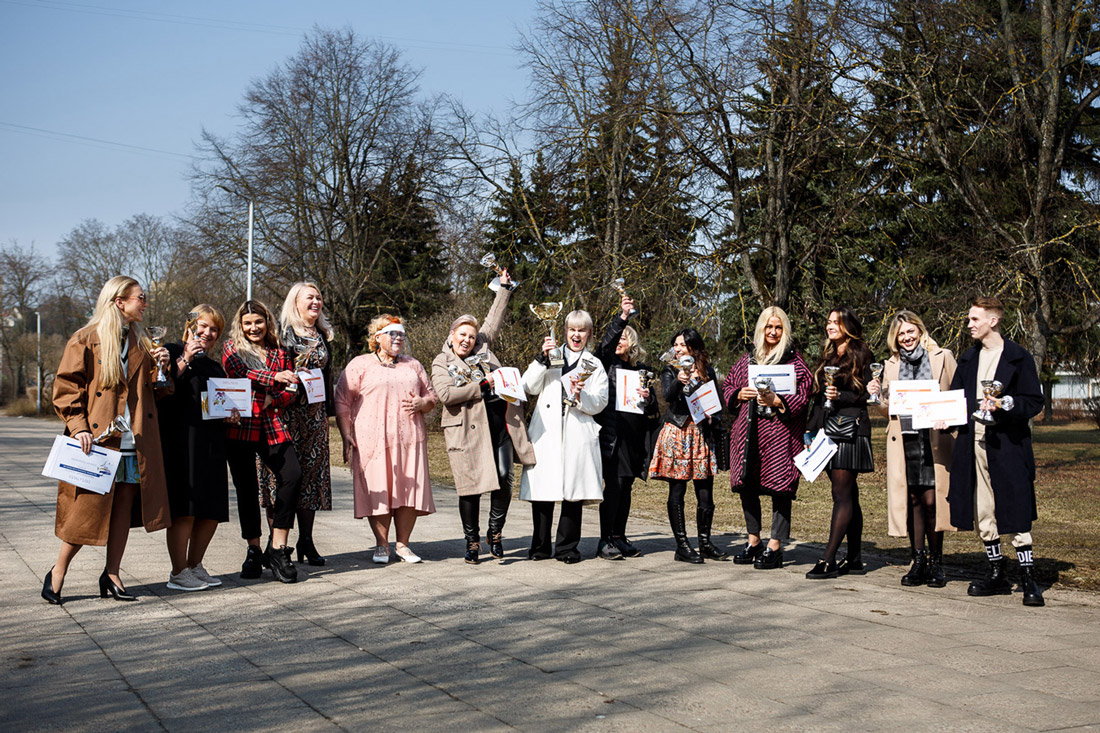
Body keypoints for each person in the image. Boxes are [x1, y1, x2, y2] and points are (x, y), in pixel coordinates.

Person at [42, 275, 171, 604]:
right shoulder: (86, 339)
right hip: (99, 439)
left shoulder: (142, 341)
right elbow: (66, 387)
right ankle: (57, 572)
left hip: (134, 439)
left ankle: (112, 574)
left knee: (123, 509)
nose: (145, 303)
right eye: (140, 298)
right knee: (87, 511)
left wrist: (163, 370)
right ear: (119, 301)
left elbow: (158, 392)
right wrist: (79, 427)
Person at [430, 270, 536, 563]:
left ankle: (495, 532)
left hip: (500, 425)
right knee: (471, 489)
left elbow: (493, 319)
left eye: (471, 336)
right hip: (466, 431)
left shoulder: (483, 348)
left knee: (504, 478)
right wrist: (481, 387)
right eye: (462, 335)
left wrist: (504, 288)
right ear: (452, 335)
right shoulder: (441, 361)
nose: (467, 340)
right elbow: (446, 395)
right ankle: (472, 541)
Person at [947, 297, 1044, 606]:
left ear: (993, 320)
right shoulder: (968, 359)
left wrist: (1006, 403)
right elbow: (955, 401)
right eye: (969, 319)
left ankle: (1028, 576)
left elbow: (1034, 401)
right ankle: (996, 571)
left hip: (1008, 446)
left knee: (1015, 507)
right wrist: (942, 417)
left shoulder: (1018, 356)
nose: (969, 324)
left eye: (974, 319)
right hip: (973, 445)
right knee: (983, 510)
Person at [335, 315, 437, 564]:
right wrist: (346, 433)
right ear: (377, 337)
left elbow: (431, 396)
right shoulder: (360, 364)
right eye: (392, 333)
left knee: (408, 489)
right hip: (372, 439)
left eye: (401, 333)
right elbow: (342, 400)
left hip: (410, 438)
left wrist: (423, 403)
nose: (398, 338)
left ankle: (403, 545)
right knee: (378, 489)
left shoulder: (413, 364)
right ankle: (382, 545)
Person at [868, 310, 957, 588]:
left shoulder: (943, 357)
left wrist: (948, 416)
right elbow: (887, 410)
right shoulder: (890, 365)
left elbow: (957, 395)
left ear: (920, 330)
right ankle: (917, 560)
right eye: (901, 334)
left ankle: (936, 562)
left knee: (933, 501)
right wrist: (876, 397)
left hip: (934, 438)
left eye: (910, 331)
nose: (906, 337)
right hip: (904, 439)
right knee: (914, 500)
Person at [723, 307, 812, 570]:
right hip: (748, 435)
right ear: (761, 329)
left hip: (781, 436)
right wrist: (738, 394)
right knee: (747, 485)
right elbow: (728, 385)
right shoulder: (748, 360)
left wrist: (778, 401)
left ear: (785, 331)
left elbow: (804, 393)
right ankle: (754, 541)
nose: (773, 332)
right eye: (768, 327)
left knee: (780, 487)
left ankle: (774, 546)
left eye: (778, 327)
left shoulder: (795, 362)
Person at [222, 300, 302, 584]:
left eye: (258, 322)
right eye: (247, 323)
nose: (253, 327)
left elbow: (292, 389)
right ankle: (253, 549)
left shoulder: (280, 351)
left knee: (292, 475)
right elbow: (239, 375)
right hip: (240, 426)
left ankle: (278, 547)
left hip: (271, 424)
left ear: (267, 322)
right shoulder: (232, 348)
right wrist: (273, 378)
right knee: (246, 488)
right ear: (240, 325)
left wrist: (273, 397)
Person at [520, 310, 609, 563]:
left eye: (581, 330)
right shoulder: (551, 355)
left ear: (589, 334)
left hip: (577, 431)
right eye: (572, 330)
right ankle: (539, 547)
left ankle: (567, 548)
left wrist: (581, 396)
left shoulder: (594, 363)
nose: (576, 335)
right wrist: (541, 360)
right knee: (543, 491)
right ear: (565, 331)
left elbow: (601, 401)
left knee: (573, 492)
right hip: (547, 430)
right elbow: (528, 387)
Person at [159, 305, 236, 591]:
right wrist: (185, 358)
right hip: (181, 443)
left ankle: (195, 565)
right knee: (186, 509)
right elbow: (162, 388)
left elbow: (217, 403)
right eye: (203, 326)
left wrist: (231, 412)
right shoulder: (171, 352)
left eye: (214, 329)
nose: (207, 333)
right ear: (190, 326)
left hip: (212, 443)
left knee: (211, 509)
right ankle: (178, 572)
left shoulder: (215, 367)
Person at [258, 282, 334, 566]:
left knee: (311, 478)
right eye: (309, 297)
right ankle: (275, 543)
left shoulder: (323, 334)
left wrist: (328, 413)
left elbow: (327, 375)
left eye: (319, 297)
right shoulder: (280, 333)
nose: (316, 302)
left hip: (313, 417)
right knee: (281, 478)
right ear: (295, 302)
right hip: (283, 413)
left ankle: (306, 540)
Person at [805, 306, 875, 580]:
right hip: (827, 431)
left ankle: (828, 558)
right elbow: (819, 397)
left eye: (836, 322)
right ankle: (854, 559)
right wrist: (810, 429)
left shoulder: (862, 353)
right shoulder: (829, 355)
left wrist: (840, 395)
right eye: (829, 321)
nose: (830, 325)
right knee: (850, 496)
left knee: (841, 494)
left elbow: (867, 394)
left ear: (848, 326)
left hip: (850, 430)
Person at [648, 328, 725, 564]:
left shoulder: (707, 370)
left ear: (694, 347)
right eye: (676, 345)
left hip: (701, 434)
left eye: (683, 344)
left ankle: (705, 543)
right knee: (677, 490)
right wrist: (679, 381)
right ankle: (682, 545)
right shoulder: (670, 369)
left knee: (705, 491)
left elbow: (717, 402)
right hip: (678, 432)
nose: (678, 348)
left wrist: (713, 417)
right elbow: (668, 397)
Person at [592, 293, 659, 560]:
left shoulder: (641, 371)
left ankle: (619, 537)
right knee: (615, 487)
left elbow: (653, 411)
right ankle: (605, 539)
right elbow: (605, 345)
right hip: (612, 436)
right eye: (618, 337)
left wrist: (649, 398)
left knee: (626, 487)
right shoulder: (605, 364)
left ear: (633, 343)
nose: (619, 340)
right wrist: (622, 318)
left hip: (633, 439)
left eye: (624, 337)